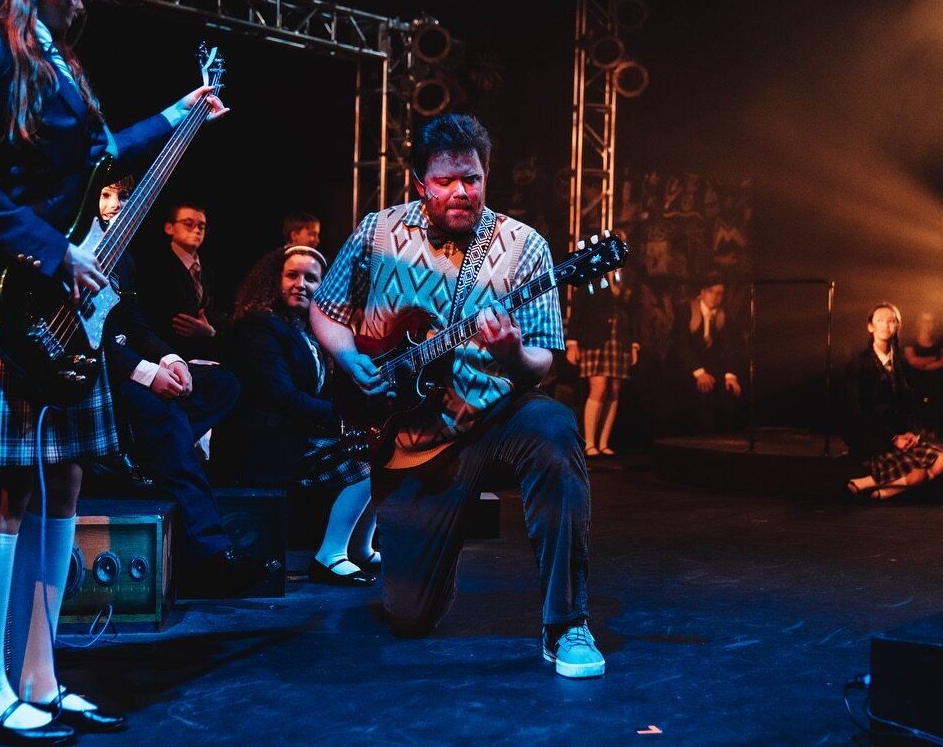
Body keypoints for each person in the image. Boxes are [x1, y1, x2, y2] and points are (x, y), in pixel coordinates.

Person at [0, 0, 226, 744]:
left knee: (62, 481)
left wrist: (179, 115)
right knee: (1, 490)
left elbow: (96, 153)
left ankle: (40, 675)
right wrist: (51, 248)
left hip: (46, 301)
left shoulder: (58, 60)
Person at [309, 112, 605, 679]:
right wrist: (350, 359)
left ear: (486, 174)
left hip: (496, 416)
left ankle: (567, 623)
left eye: (471, 178)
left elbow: (541, 360)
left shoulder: (525, 248)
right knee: (409, 619)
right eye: (445, 181)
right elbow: (326, 310)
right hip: (412, 438)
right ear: (420, 182)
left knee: (555, 429)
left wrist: (512, 353)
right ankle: (437, 542)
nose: (461, 192)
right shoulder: (376, 232)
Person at [96, 178, 279, 597]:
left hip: (137, 363)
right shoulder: (81, 249)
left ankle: (143, 454)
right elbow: (89, 339)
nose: (114, 205)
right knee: (167, 421)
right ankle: (214, 551)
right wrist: (146, 372)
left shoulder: (122, 256)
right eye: (105, 194)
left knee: (222, 386)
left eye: (122, 196)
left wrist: (170, 359)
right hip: (99, 376)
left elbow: (135, 322)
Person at [221, 244, 378, 587]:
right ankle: (330, 556)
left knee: (385, 449)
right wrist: (345, 420)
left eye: (311, 278)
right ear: (274, 279)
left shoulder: (308, 330)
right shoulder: (260, 326)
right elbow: (281, 397)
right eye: (292, 275)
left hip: (296, 433)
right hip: (267, 443)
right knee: (369, 457)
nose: (301, 284)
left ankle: (360, 549)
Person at [843, 303, 943, 500]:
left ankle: (877, 489)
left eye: (891, 321)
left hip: (900, 435)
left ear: (897, 326)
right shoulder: (859, 364)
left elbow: (908, 404)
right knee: (917, 475)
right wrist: (892, 438)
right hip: (873, 438)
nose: (886, 325)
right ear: (870, 327)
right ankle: (866, 484)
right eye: (880, 320)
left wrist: (912, 432)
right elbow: (858, 413)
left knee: (942, 460)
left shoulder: (901, 362)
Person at [564, 252, 639, 457]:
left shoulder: (627, 278)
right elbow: (577, 310)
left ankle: (603, 442)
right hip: (595, 339)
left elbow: (633, 313)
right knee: (599, 387)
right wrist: (572, 343)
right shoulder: (593, 275)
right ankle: (589, 443)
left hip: (619, 338)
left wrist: (634, 344)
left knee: (614, 389)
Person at [137, 201, 227, 362]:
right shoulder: (154, 266)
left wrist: (209, 331)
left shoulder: (209, 271)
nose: (196, 230)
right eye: (188, 224)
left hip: (205, 354)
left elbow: (218, 314)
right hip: (165, 354)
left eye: (201, 226)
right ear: (169, 228)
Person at [671, 272, 744, 435]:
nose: (714, 297)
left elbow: (730, 347)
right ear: (702, 292)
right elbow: (681, 345)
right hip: (687, 367)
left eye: (719, 293)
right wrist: (699, 372)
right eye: (711, 291)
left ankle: (722, 439)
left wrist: (730, 375)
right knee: (700, 394)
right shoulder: (686, 310)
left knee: (728, 390)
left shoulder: (724, 315)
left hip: (711, 366)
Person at [229, 210, 322, 325]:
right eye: (312, 234)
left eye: (310, 278)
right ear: (294, 235)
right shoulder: (272, 263)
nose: (317, 240)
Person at [902, 310, 943, 439]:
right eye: (925, 321)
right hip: (915, 385)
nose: (928, 324)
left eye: (930, 321)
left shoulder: (940, 342)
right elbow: (912, 360)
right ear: (918, 323)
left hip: (935, 386)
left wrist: (924, 365)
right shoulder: (910, 341)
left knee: (934, 417)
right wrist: (934, 359)